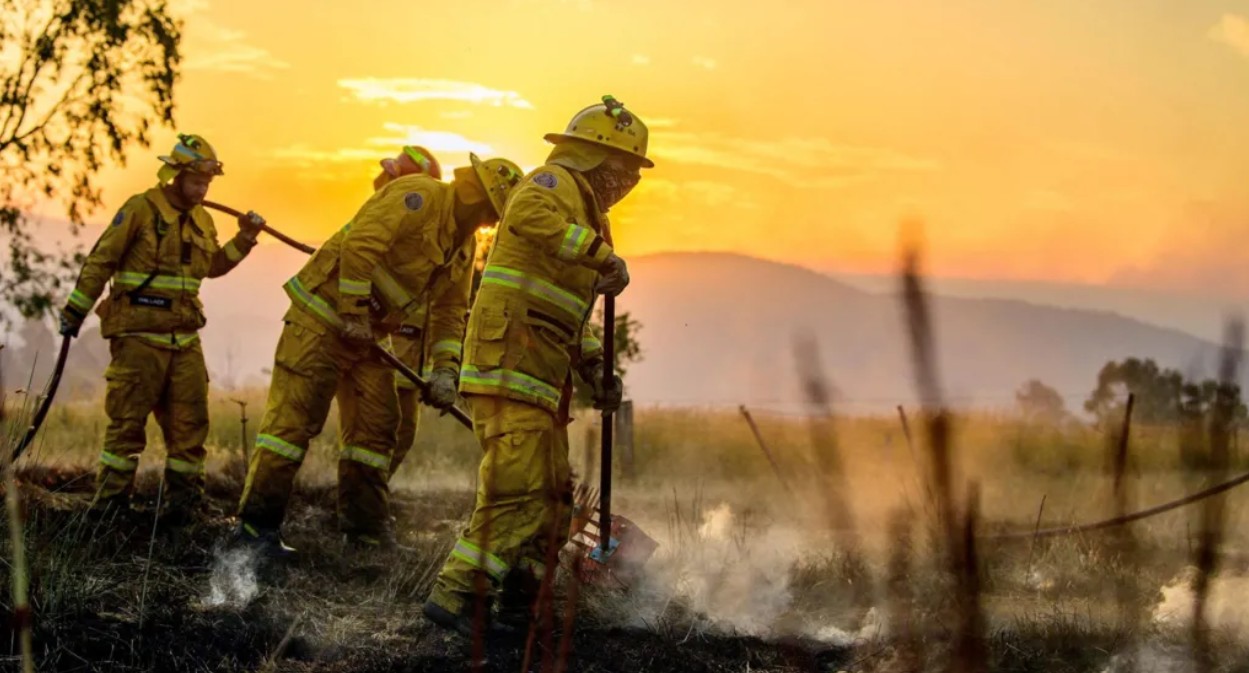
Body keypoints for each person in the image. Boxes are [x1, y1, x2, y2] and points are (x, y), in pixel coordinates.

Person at [423, 96, 652, 636]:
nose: (625, 183)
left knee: (552, 499)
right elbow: (527, 215)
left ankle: (520, 608)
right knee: (516, 491)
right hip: (509, 364)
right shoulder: (553, 185)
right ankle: (453, 599)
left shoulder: (594, 218)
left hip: (542, 375)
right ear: (592, 156)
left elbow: (573, 313)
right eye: (621, 170)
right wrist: (600, 255)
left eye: (633, 175)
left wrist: (598, 369)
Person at [234, 152, 523, 555]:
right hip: (322, 317)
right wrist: (352, 313)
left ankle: (364, 534)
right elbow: (360, 246)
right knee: (294, 424)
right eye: (493, 210)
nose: (492, 221)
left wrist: (445, 371)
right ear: (476, 195)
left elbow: (450, 312)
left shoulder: (462, 245)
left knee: (378, 429)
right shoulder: (416, 196)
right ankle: (254, 530)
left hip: (369, 337)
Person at [59, 133, 266, 523]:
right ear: (175, 175)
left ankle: (184, 510)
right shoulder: (140, 209)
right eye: (197, 181)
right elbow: (102, 261)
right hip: (138, 339)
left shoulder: (203, 219)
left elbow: (214, 267)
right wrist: (75, 311)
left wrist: (246, 239)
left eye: (208, 183)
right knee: (126, 428)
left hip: (185, 341)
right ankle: (110, 510)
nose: (203, 188)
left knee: (190, 429)